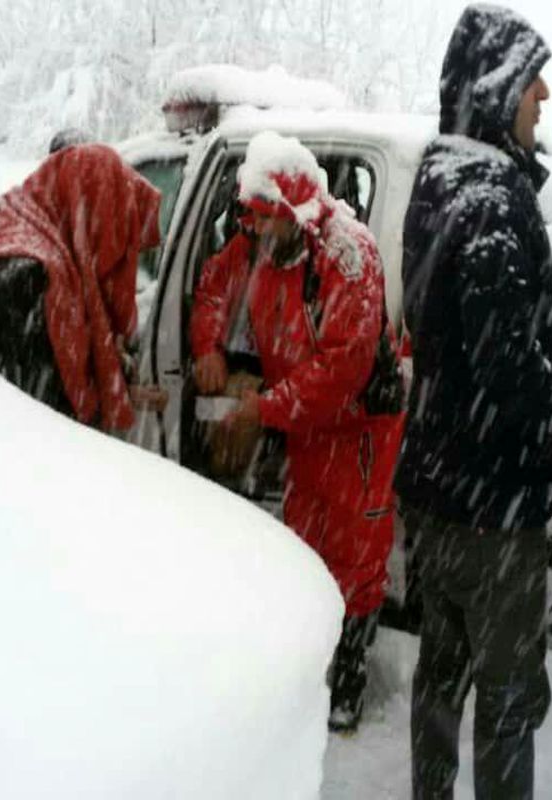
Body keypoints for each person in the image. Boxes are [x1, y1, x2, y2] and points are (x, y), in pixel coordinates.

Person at [397, 5, 552, 798]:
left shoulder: (437, 176)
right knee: (506, 704)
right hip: (492, 513)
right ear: (499, 87)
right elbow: (511, 369)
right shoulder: (495, 197)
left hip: (436, 493)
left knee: (441, 677)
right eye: (531, 78)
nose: (544, 94)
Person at [191, 131, 405, 733]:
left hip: (359, 428)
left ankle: (350, 679)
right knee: (305, 544)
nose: (251, 230)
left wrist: (265, 408)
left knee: (357, 556)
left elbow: (343, 368)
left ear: (290, 215)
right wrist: (207, 346)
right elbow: (213, 286)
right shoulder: (260, 242)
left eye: (262, 220)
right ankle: (311, 664)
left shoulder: (347, 256)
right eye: (248, 217)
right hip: (305, 428)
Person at [0, 144, 164, 431]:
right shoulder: (31, 278)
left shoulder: (45, 253)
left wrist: (121, 390)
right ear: (95, 213)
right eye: (118, 239)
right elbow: (48, 412)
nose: (120, 264)